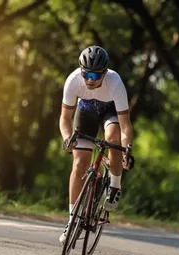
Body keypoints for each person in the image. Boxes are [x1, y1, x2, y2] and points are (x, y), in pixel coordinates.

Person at [59, 45, 134, 244]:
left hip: (110, 112)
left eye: (95, 75)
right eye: (86, 74)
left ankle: (115, 187)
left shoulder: (115, 82)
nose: (90, 79)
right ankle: (71, 220)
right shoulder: (73, 80)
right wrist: (67, 138)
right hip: (86, 113)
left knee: (114, 140)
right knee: (79, 164)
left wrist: (127, 149)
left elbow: (125, 125)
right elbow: (64, 118)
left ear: (105, 73)